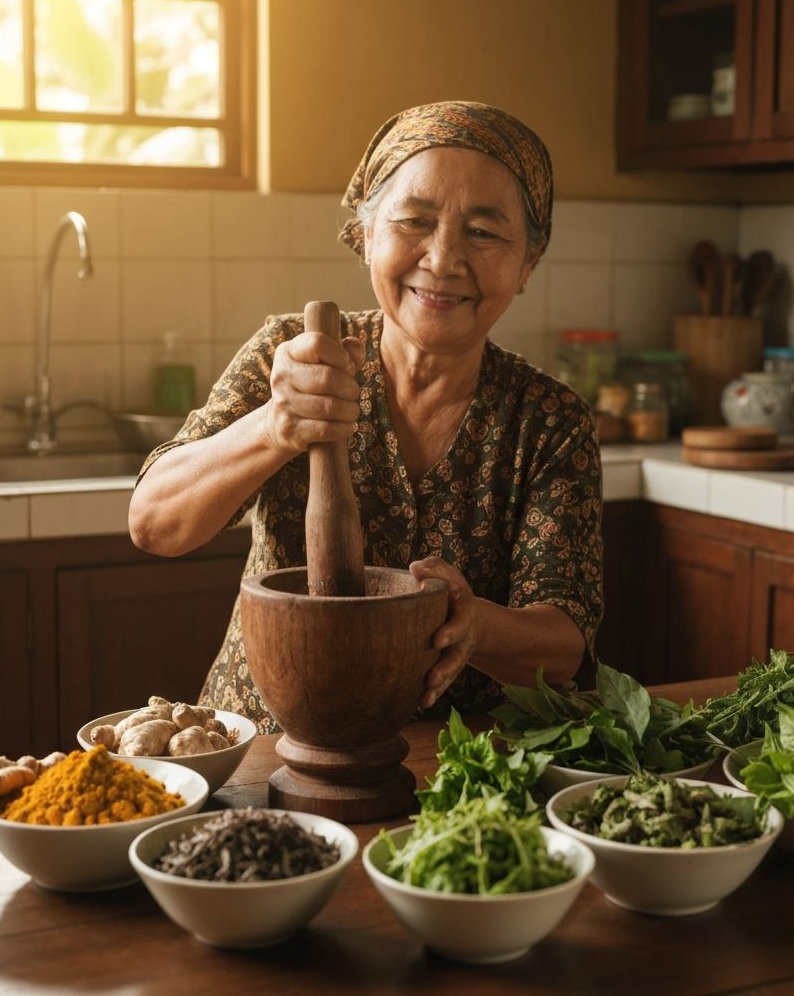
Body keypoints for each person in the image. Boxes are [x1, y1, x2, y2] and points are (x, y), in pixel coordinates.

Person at [129, 100, 604, 733]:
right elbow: (156, 525)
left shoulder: (550, 420)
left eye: (485, 233)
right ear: (367, 236)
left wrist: (475, 623)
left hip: (456, 767)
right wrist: (275, 424)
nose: (442, 259)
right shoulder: (290, 354)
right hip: (266, 748)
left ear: (527, 266)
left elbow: (563, 644)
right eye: (414, 220)